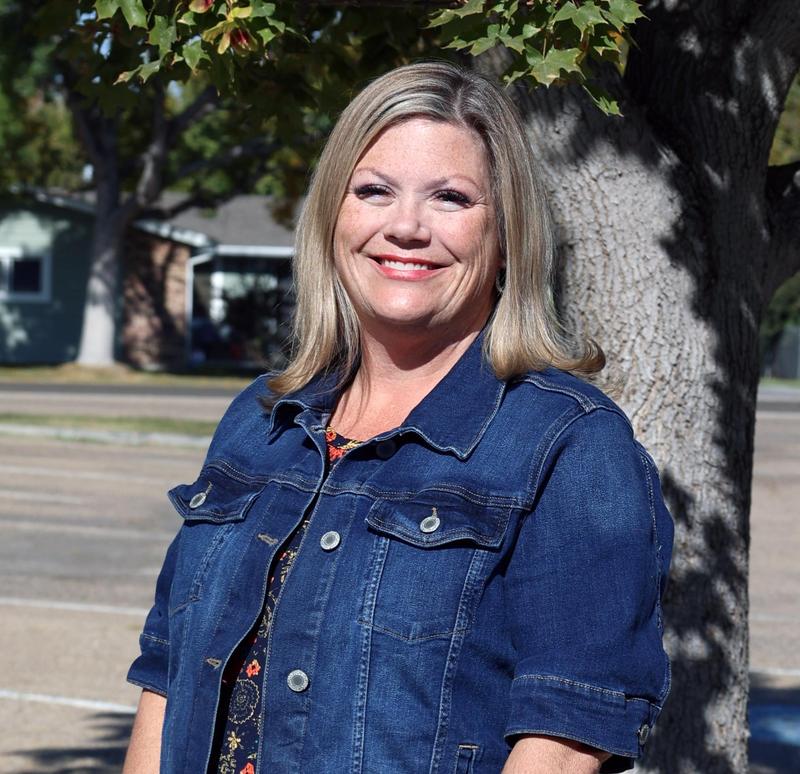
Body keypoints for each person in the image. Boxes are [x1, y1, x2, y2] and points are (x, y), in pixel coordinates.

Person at [123, 61, 674, 774]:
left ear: (506, 236)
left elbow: (567, 738)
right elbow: (168, 673)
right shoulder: (260, 420)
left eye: (450, 197)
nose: (406, 227)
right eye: (374, 191)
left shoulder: (569, 445)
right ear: (333, 217)